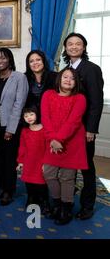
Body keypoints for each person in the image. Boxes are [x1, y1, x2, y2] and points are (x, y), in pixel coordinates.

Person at [62, 33, 104, 220]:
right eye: (70, 44)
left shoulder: (91, 69)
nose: (73, 47)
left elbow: (96, 102)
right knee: (69, 165)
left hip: (84, 129)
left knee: (86, 168)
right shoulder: (66, 70)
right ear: (65, 47)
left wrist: (91, 129)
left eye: (78, 44)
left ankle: (87, 206)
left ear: (84, 48)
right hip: (69, 128)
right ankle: (67, 199)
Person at [41, 68, 88, 225]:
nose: (68, 80)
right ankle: (57, 202)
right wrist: (52, 139)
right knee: (48, 172)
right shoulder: (48, 95)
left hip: (72, 142)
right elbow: (45, 118)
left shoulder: (80, 98)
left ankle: (66, 207)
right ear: (59, 79)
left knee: (67, 177)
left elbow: (74, 121)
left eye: (72, 78)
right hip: (51, 140)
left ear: (76, 82)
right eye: (65, 77)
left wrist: (59, 139)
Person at [0, 48, 28, 206]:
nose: (0, 61)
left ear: (10, 59)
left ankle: (9, 190)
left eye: (3, 58)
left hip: (9, 125)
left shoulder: (19, 77)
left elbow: (19, 104)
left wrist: (11, 129)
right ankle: (0, 186)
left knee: (9, 159)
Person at [16, 107, 49, 213]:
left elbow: (48, 147)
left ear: (37, 114)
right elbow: (22, 147)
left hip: (41, 161)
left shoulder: (44, 129)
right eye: (25, 116)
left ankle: (44, 200)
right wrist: (21, 161)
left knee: (41, 183)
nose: (29, 118)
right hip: (29, 161)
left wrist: (46, 163)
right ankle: (31, 198)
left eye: (31, 114)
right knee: (29, 182)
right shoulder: (25, 131)